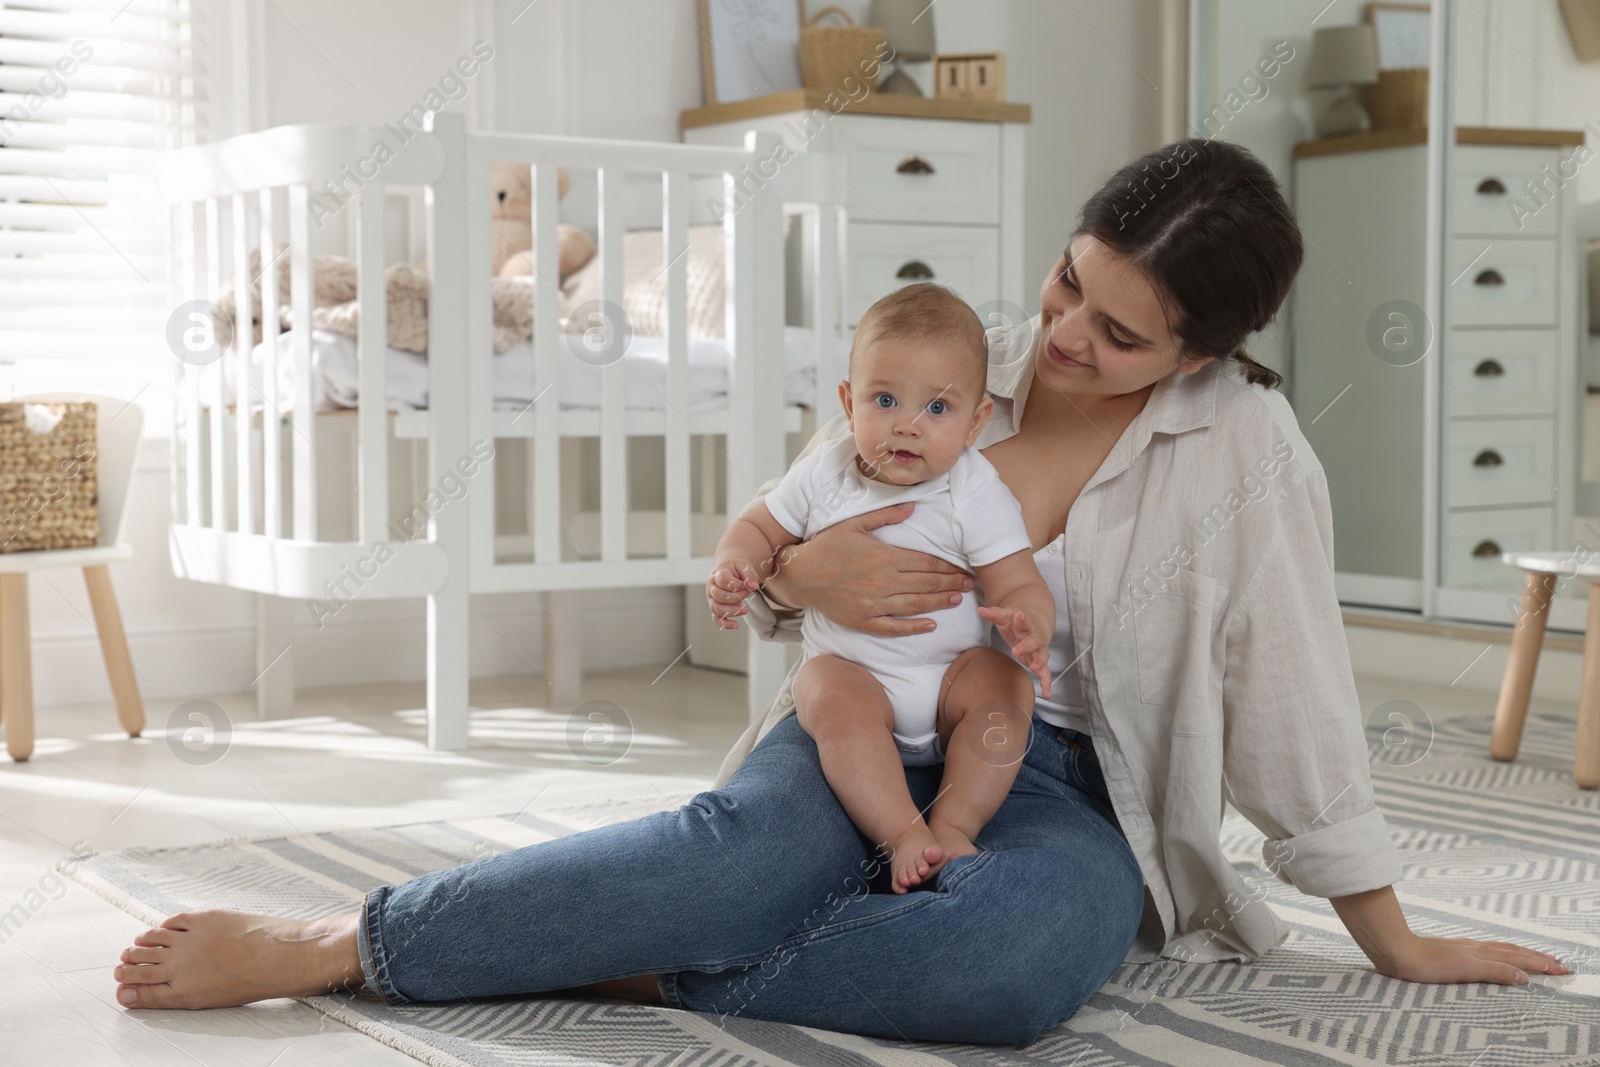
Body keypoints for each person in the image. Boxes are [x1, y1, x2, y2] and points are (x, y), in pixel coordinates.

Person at [112, 139, 1566, 1047]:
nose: (1058, 337)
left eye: (1116, 335)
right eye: (1068, 286)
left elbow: (1293, 686)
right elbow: (788, 530)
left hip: (1065, 777)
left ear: (1197, 354)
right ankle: (349, 943)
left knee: (1009, 966)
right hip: (862, 712)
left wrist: (1391, 931)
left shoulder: (1247, 450)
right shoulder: (958, 348)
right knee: (721, 856)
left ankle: (655, 972)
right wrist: (804, 570)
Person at [708, 283, 1053, 894]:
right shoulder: (826, 471)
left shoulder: (974, 489)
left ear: (976, 422)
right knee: (823, 688)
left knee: (1003, 685)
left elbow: (1017, 578)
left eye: (938, 410)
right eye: (886, 399)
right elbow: (759, 526)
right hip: (855, 673)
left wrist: (1027, 621)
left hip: (950, 679)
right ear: (848, 401)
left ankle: (954, 823)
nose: (908, 427)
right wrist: (737, 564)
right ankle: (901, 834)